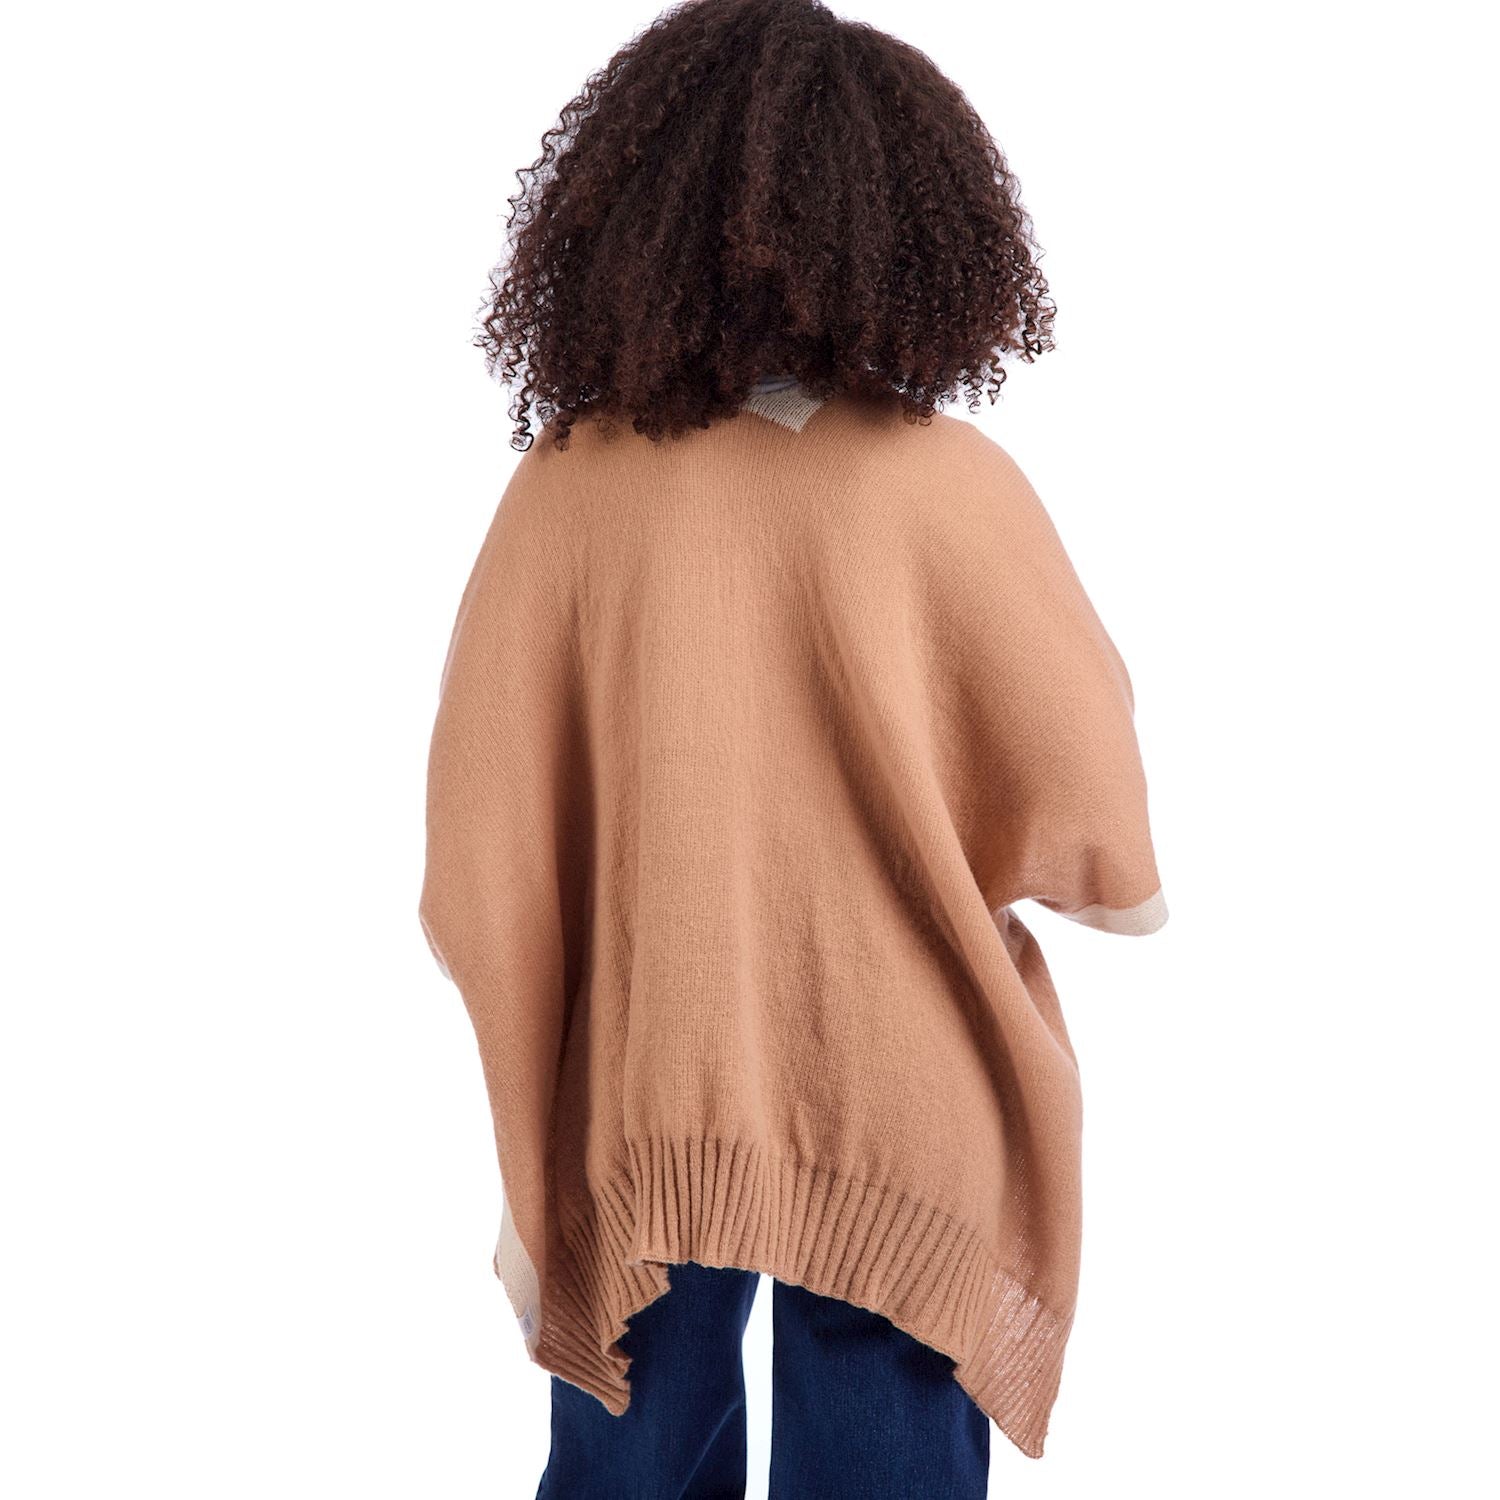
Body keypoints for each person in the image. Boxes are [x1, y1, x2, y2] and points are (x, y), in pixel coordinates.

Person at [419, 1, 1167, 1493]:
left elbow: (479, 847)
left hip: (649, 1091)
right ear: (912, 219)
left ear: (631, 216)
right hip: (909, 1104)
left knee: (632, 1464)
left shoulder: (570, 490)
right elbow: (1103, 831)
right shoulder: (955, 486)